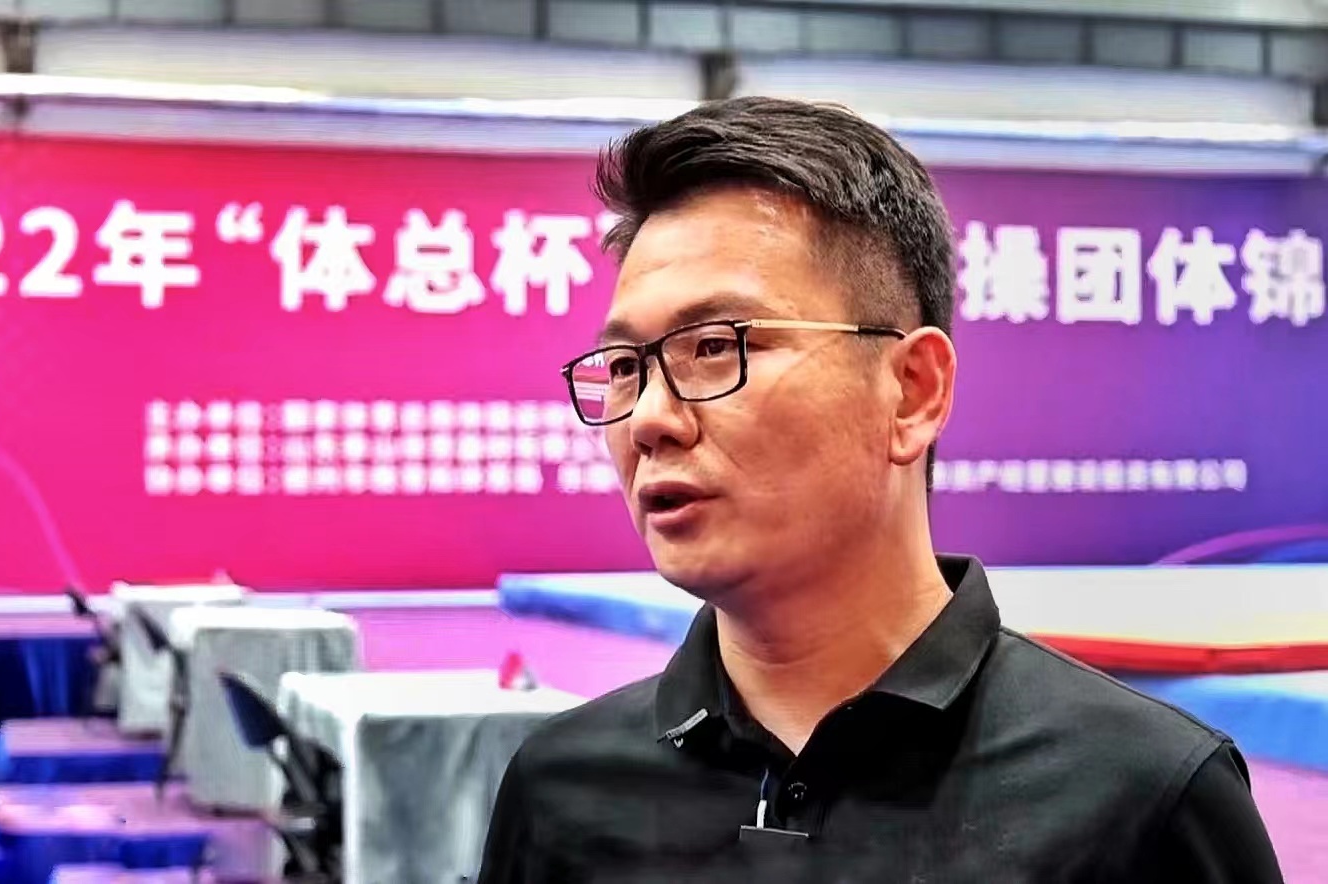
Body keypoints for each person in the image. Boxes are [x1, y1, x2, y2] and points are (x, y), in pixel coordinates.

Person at [477, 96, 1283, 883]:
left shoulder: (1142, 800)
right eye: (626, 366)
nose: (651, 418)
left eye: (716, 346)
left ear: (913, 392)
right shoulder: (559, 792)